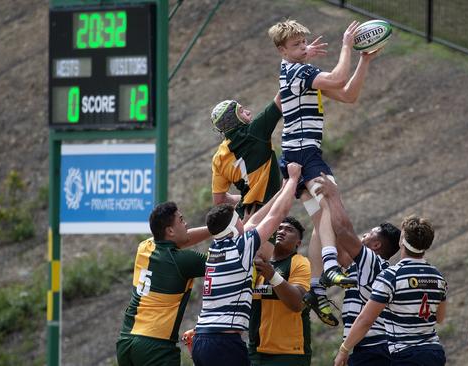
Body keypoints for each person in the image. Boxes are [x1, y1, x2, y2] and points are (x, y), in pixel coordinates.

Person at [268, 19, 380, 318]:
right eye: (296, 45)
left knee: (321, 222)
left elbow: (348, 94)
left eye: (304, 42)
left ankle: (317, 287)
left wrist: (364, 60)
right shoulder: (299, 72)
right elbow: (337, 76)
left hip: (297, 153)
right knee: (331, 199)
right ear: (282, 50)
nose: (303, 47)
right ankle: (330, 266)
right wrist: (347, 46)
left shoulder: (297, 70)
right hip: (304, 153)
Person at [191, 163, 301, 366]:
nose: (244, 222)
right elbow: (277, 216)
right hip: (224, 343)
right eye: (239, 220)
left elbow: (257, 220)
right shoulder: (242, 246)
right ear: (233, 228)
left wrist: (281, 190)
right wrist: (294, 179)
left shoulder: (216, 246)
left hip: (202, 340)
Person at [210, 40, 326, 220]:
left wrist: (244, 200)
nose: (247, 111)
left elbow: (219, 200)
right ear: (235, 119)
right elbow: (284, 94)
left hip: (243, 217)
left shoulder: (218, 157)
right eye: (241, 110)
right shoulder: (254, 132)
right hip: (267, 212)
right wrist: (298, 60)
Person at [334, 215, 448, 366]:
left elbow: (366, 320)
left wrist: (344, 349)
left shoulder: (391, 276)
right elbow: (439, 318)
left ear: (402, 241)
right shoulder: (438, 277)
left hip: (405, 355)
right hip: (435, 353)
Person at [314, 172, 401, 365]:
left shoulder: (375, 264)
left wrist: (334, 195)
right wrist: (310, 198)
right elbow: (330, 233)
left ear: (377, 245)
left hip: (376, 348)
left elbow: (344, 231)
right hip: (366, 347)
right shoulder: (360, 265)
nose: (363, 234)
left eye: (370, 233)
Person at [116, 201, 212, 366]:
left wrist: (213, 229)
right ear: (170, 230)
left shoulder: (144, 247)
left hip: (126, 341)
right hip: (155, 346)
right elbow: (226, 260)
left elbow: (181, 240)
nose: (186, 224)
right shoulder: (183, 261)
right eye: (181, 220)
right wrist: (232, 228)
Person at [248, 216, 312, 366]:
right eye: (280, 228)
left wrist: (272, 276)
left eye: (289, 230)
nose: (282, 231)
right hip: (255, 352)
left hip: (289, 354)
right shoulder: (258, 264)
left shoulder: (300, 263)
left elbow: (297, 303)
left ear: (298, 242)